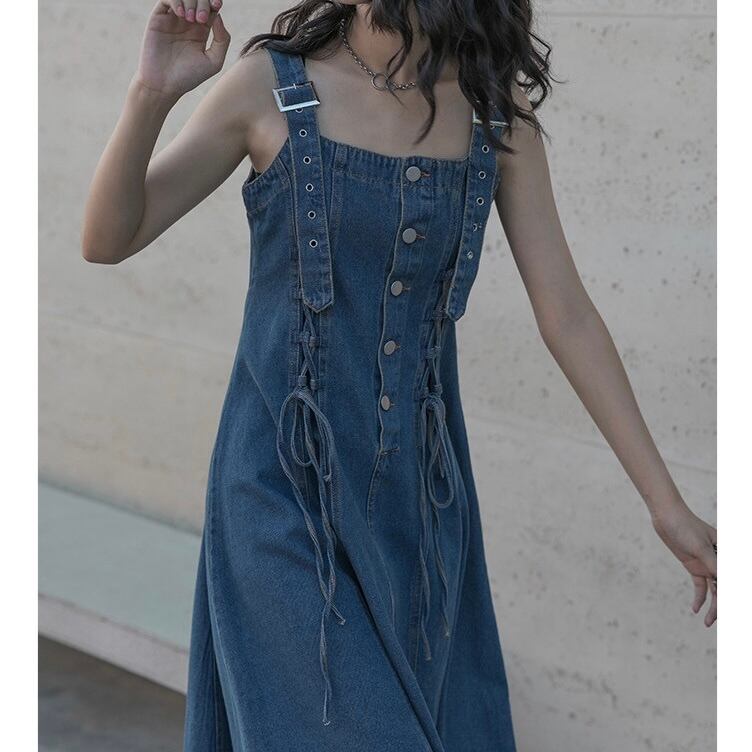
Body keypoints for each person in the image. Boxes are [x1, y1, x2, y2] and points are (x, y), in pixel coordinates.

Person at [80, 1, 717, 750]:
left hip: (419, 508)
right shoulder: (268, 85)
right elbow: (108, 238)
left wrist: (665, 504)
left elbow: (567, 314)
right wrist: (151, 92)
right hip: (278, 496)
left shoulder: (491, 108)